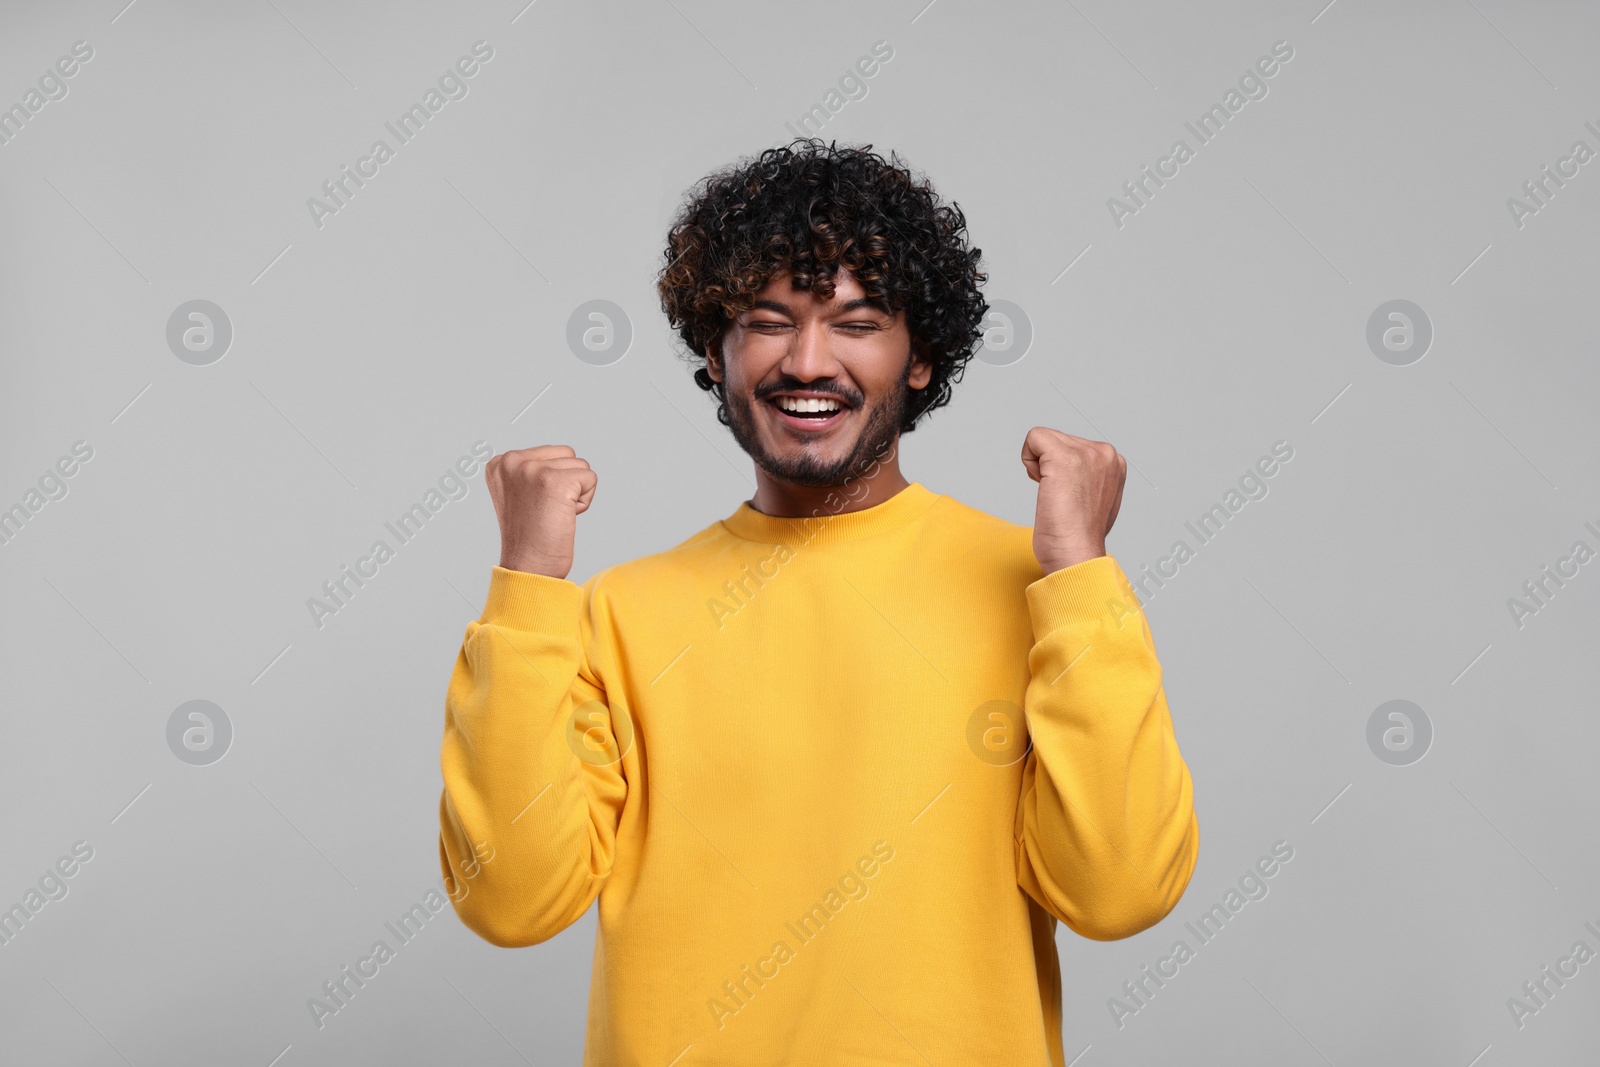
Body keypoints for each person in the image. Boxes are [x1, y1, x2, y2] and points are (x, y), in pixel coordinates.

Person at [438, 138, 1198, 1066]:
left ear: (920, 359)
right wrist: (526, 585)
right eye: (767, 319)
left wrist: (1082, 572)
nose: (807, 360)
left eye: (858, 321)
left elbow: (1118, 892)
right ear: (714, 358)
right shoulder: (616, 614)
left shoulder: (1044, 593)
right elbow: (511, 901)